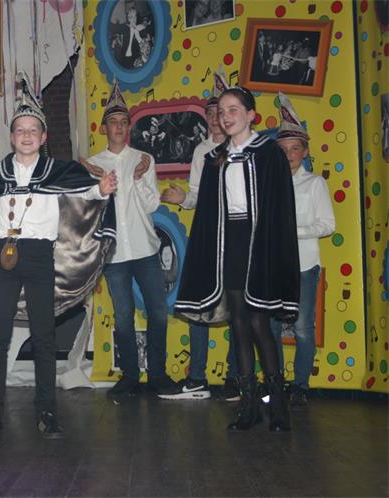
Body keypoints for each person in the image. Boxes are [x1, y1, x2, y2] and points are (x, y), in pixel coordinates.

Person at [0, 73, 117, 439]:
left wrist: (101, 190)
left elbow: (85, 193)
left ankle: (46, 411)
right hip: (5, 258)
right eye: (20, 130)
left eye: (33, 130)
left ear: (43, 138)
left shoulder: (58, 172)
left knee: (44, 336)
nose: (26, 135)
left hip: (40, 256)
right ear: (12, 137)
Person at [175, 86, 299, 432]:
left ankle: (278, 405)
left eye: (233, 110)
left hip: (259, 241)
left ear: (251, 115)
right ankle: (249, 406)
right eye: (221, 111)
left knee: (259, 323)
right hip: (227, 242)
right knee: (239, 323)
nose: (226, 116)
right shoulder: (215, 158)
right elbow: (208, 212)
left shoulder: (269, 153)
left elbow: (281, 208)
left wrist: (274, 249)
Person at [84, 80, 176, 398]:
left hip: (145, 249)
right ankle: (130, 376)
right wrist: (94, 185)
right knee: (123, 315)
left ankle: (158, 374)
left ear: (129, 127)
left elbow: (151, 205)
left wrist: (138, 178)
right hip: (114, 254)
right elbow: (90, 210)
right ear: (104, 127)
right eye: (113, 122)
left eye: (124, 121)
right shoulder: (95, 164)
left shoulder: (143, 158)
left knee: (158, 311)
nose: (119, 127)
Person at [159, 66, 240, 401]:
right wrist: (183, 199)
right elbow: (194, 196)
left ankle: (237, 378)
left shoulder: (243, 149)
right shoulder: (200, 152)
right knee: (197, 304)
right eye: (210, 112)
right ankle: (196, 379)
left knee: (238, 307)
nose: (214, 118)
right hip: (206, 238)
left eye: (220, 112)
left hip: (235, 239)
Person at [270, 92, 335, 406]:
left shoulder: (315, 184)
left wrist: (293, 232)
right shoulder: (269, 186)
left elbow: (328, 225)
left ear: (305, 151)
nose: (289, 155)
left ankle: (300, 385)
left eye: (294, 148)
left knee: (302, 327)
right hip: (274, 267)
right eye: (283, 150)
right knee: (271, 327)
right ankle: (275, 381)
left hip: (304, 266)